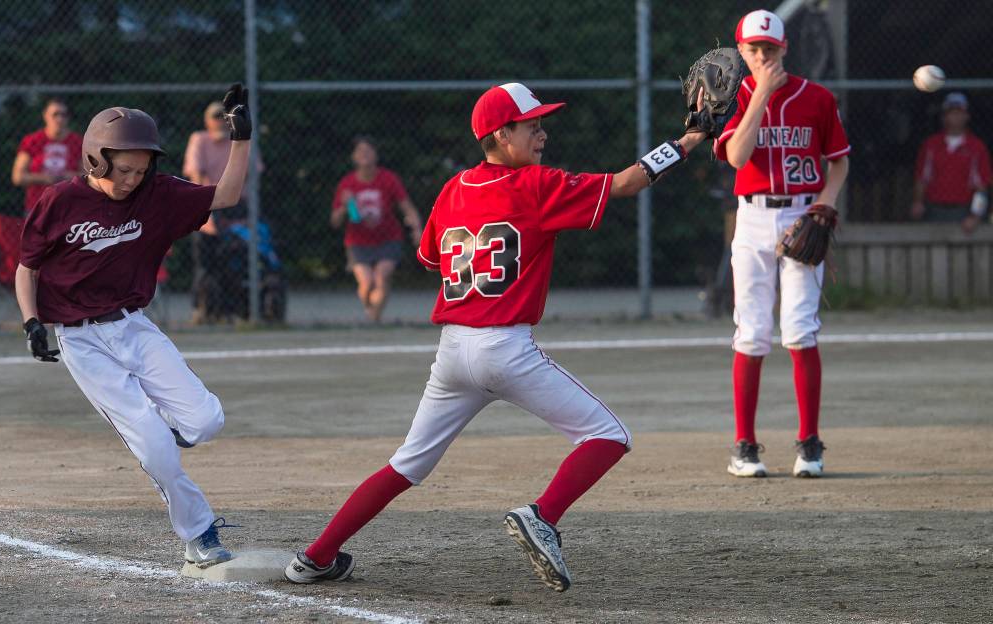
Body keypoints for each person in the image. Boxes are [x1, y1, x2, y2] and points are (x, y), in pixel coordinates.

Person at [285, 83, 709, 591]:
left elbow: (432, 259)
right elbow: (625, 183)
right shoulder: (535, 185)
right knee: (608, 436)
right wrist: (690, 138)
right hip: (505, 348)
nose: (543, 134)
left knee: (405, 465)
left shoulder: (453, 189)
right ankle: (543, 517)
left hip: (452, 352)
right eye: (532, 126)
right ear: (501, 134)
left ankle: (315, 556)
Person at [14, 85, 252, 567]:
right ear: (96, 160)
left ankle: (161, 437)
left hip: (133, 326)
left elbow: (225, 195)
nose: (132, 179)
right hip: (82, 340)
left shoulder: (157, 196)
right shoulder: (58, 201)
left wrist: (240, 139)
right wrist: (31, 322)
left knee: (207, 421)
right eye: (124, 169)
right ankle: (199, 532)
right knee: (156, 449)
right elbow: (28, 267)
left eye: (142, 170)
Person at [714, 10, 850, 479]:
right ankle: (744, 445)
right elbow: (737, 156)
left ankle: (809, 443)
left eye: (769, 49)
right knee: (750, 331)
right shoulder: (732, 97)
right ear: (742, 52)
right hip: (752, 218)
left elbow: (838, 163)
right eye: (753, 50)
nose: (762, 57)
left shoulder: (817, 98)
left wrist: (824, 206)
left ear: (784, 48)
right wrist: (762, 95)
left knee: (798, 329)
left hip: (800, 214)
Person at [331, 136, 422, 322]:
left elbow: (407, 207)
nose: (364, 154)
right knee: (366, 284)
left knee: (382, 277)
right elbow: (335, 221)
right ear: (354, 157)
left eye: (368, 150)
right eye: (360, 151)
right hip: (358, 242)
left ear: (376, 155)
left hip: (388, 238)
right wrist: (344, 206)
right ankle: (373, 317)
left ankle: (372, 321)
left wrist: (417, 229)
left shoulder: (388, 179)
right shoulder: (347, 184)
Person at [183, 100, 245, 323]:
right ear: (206, 120)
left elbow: (250, 176)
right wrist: (208, 211)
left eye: (224, 116)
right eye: (216, 116)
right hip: (207, 203)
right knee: (205, 263)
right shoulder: (199, 140)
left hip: (235, 206)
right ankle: (201, 310)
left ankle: (233, 311)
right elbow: (196, 176)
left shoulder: (238, 142)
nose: (220, 120)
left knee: (236, 259)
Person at [911, 92, 991, 233]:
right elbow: (922, 178)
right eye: (951, 112)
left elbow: (982, 187)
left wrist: (975, 216)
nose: (956, 117)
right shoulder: (931, 145)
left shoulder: (976, 147)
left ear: (967, 116)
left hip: (963, 211)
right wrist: (918, 202)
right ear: (943, 117)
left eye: (959, 112)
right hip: (934, 210)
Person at [12, 98, 83, 213]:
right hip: (38, 206)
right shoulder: (32, 141)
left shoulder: (78, 142)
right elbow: (18, 176)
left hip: (70, 207)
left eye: (63, 115)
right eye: (55, 114)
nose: (59, 119)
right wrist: (44, 178)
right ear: (45, 115)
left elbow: (88, 177)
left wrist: (67, 177)